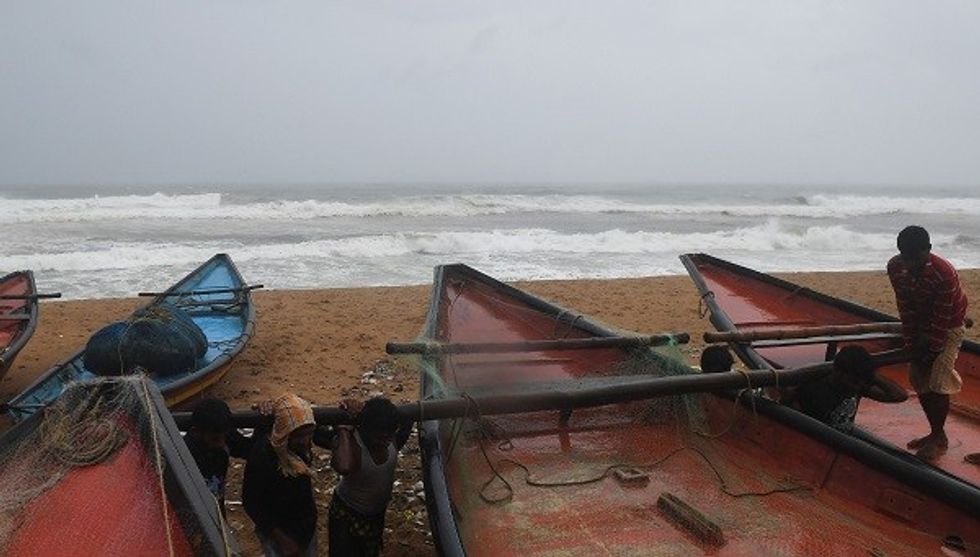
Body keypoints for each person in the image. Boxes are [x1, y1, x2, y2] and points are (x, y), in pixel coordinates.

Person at [888, 225, 969, 460]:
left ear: (929, 250)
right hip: (921, 323)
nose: (911, 264)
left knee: (937, 382)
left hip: (950, 324)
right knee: (918, 378)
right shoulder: (895, 267)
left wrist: (932, 349)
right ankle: (937, 433)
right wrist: (912, 344)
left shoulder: (944, 273)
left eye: (916, 258)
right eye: (906, 257)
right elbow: (905, 308)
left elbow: (943, 317)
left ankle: (936, 437)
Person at [243, 394, 329, 557]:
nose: (305, 441)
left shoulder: (299, 447)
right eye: (298, 436)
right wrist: (282, 540)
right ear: (284, 431)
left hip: (305, 526)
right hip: (278, 532)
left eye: (309, 434)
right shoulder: (264, 454)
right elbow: (251, 502)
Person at [329, 397, 413, 557]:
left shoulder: (391, 438)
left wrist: (407, 407)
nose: (385, 442)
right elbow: (344, 466)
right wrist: (343, 431)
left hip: (375, 516)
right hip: (347, 516)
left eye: (388, 437)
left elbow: (402, 430)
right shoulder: (353, 443)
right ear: (364, 429)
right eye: (380, 438)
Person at [783, 345, 906, 433]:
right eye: (854, 382)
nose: (857, 387)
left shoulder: (857, 386)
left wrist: (871, 375)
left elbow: (899, 396)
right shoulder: (811, 389)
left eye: (861, 383)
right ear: (838, 373)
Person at [185, 398, 273, 509]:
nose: (222, 444)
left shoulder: (224, 435)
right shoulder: (183, 454)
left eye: (224, 437)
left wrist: (262, 420)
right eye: (215, 439)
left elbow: (251, 450)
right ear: (195, 432)